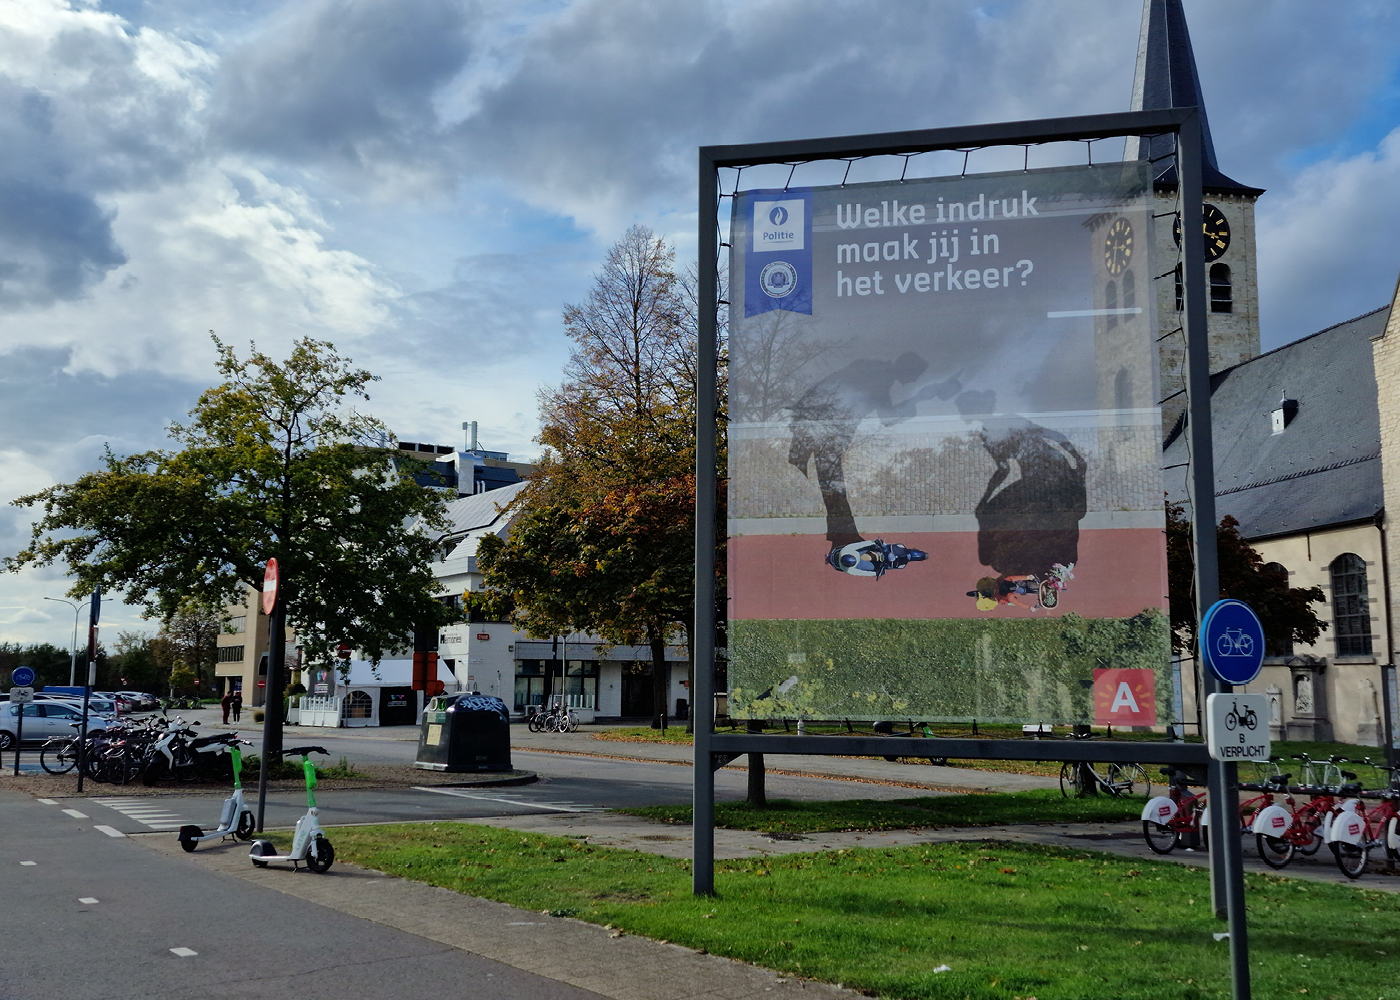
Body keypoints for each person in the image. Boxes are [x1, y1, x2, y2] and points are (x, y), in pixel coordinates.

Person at [787, 352, 961, 560]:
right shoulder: (877, 376)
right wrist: (920, 398)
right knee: (829, 482)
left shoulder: (875, 371)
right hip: (823, 429)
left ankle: (842, 537)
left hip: (820, 427)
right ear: (908, 368)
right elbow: (888, 418)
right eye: (916, 374)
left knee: (830, 483)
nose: (914, 380)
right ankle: (843, 536)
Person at [958, 389, 1087, 596]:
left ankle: (1040, 569)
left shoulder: (1011, 420)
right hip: (1032, 479)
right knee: (992, 511)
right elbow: (1004, 469)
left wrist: (1076, 458)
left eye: (965, 408)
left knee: (1024, 514)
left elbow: (1051, 434)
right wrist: (984, 500)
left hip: (1052, 471)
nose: (963, 413)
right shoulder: (986, 434)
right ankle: (1024, 568)